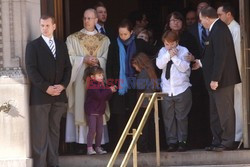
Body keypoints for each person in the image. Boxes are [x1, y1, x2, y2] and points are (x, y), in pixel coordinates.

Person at [25, 15, 72, 167]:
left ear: (54, 26)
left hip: (59, 97)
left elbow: (68, 68)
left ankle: (53, 164)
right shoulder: (33, 46)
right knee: (40, 135)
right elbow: (31, 70)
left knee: (54, 133)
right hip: (40, 98)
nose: (44, 28)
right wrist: (46, 87)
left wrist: (63, 85)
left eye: (47, 25)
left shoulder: (61, 45)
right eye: (42, 25)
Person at [193, 6, 241, 151]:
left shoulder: (219, 29)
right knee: (215, 112)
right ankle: (217, 140)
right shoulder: (215, 29)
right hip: (216, 80)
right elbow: (212, 55)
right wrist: (200, 63)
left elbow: (221, 57)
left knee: (224, 111)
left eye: (201, 20)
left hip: (222, 80)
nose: (201, 23)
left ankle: (227, 141)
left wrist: (215, 79)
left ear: (207, 18)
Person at [65, 8, 110, 151]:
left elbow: (106, 59)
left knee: (97, 107)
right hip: (80, 80)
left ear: (96, 20)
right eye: (85, 18)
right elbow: (69, 58)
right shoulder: (73, 38)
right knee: (81, 105)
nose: (86, 21)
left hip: (97, 81)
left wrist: (97, 61)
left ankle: (97, 143)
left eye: (90, 18)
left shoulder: (104, 40)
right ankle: (81, 143)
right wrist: (82, 59)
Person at [106, 19, 154, 151]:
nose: (122, 37)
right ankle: (122, 146)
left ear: (131, 32)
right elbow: (109, 66)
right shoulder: (114, 45)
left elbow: (154, 54)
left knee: (136, 115)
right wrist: (111, 85)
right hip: (119, 87)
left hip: (136, 86)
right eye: (120, 34)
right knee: (120, 116)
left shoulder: (139, 43)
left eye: (125, 34)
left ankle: (138, 145)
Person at [156, 30, 192, 152]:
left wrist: (175, 57)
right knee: (168, 117)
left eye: (172, 44)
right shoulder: (162, 51)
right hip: (167, 89)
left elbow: (184, 67)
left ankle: (182, 141)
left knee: (181, 117)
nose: (169, 47)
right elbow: (159, 65)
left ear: (177, 42)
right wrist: (168, 55)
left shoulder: (184, 50)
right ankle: (171, 142)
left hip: (181, 88)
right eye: (167, 44)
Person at [217, 3, 243, 147]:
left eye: (220, 15)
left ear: (229, 14)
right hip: (231, 74)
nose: (218, 18)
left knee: (238, 104)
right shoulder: (227, 29)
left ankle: (237, 136)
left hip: (236, 74)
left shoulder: (236, 29)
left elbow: (237, 55)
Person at [83, 66, 116, 155]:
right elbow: (99, 95)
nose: (101, 77)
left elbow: (105, 97)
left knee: (100, 130)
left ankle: (98, 147)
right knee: (92, 130)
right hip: (92, 111)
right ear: (93, 77)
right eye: (99, 75)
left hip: (100, 111)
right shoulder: (92, 85)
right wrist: (109, 90)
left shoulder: (102, 84)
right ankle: (89, 148)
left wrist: (110, 91)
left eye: (102, 75)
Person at [131, 52, 159, 152]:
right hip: (150, 102)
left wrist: (135, 80)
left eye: (135, 66)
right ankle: (150, 146)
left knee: (142, 126)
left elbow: (140, 87)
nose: (135, 68)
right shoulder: (151, 71)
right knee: (149, 125)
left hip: (143, 103)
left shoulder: (143, 73)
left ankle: (142, 147)